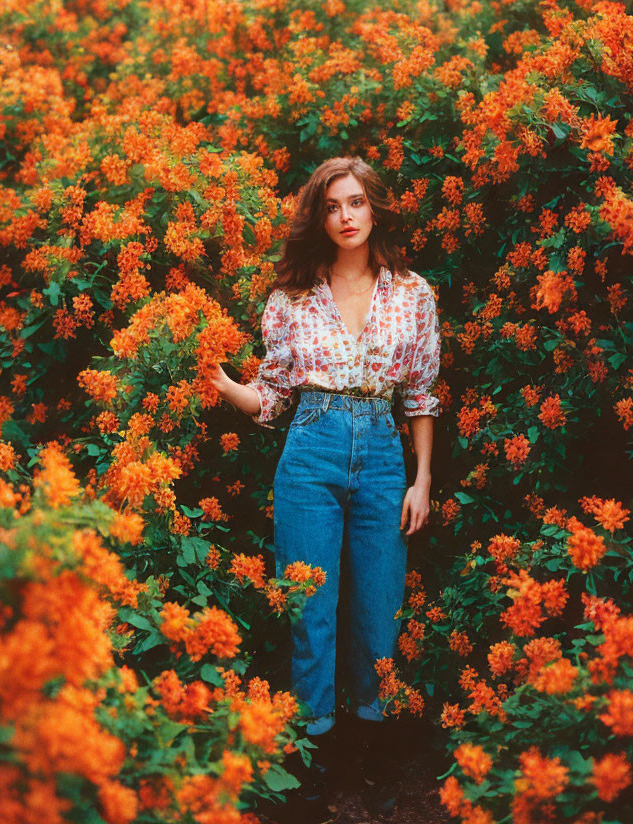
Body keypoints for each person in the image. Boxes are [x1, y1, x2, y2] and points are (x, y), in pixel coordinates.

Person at [210, 156, 441, 821]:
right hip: (309, 450)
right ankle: (310, 761)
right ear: (319, 216)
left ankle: (364, 760)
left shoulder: (413, 293)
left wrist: (421, 480)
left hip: (382, 452)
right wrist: (228, 388)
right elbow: (274, 398)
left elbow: (421, 396)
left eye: (357, 202)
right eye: (333, 205)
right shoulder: (290, 299)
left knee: (377, 612)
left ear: (375, 210)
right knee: (308, 607)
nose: (346, 215)